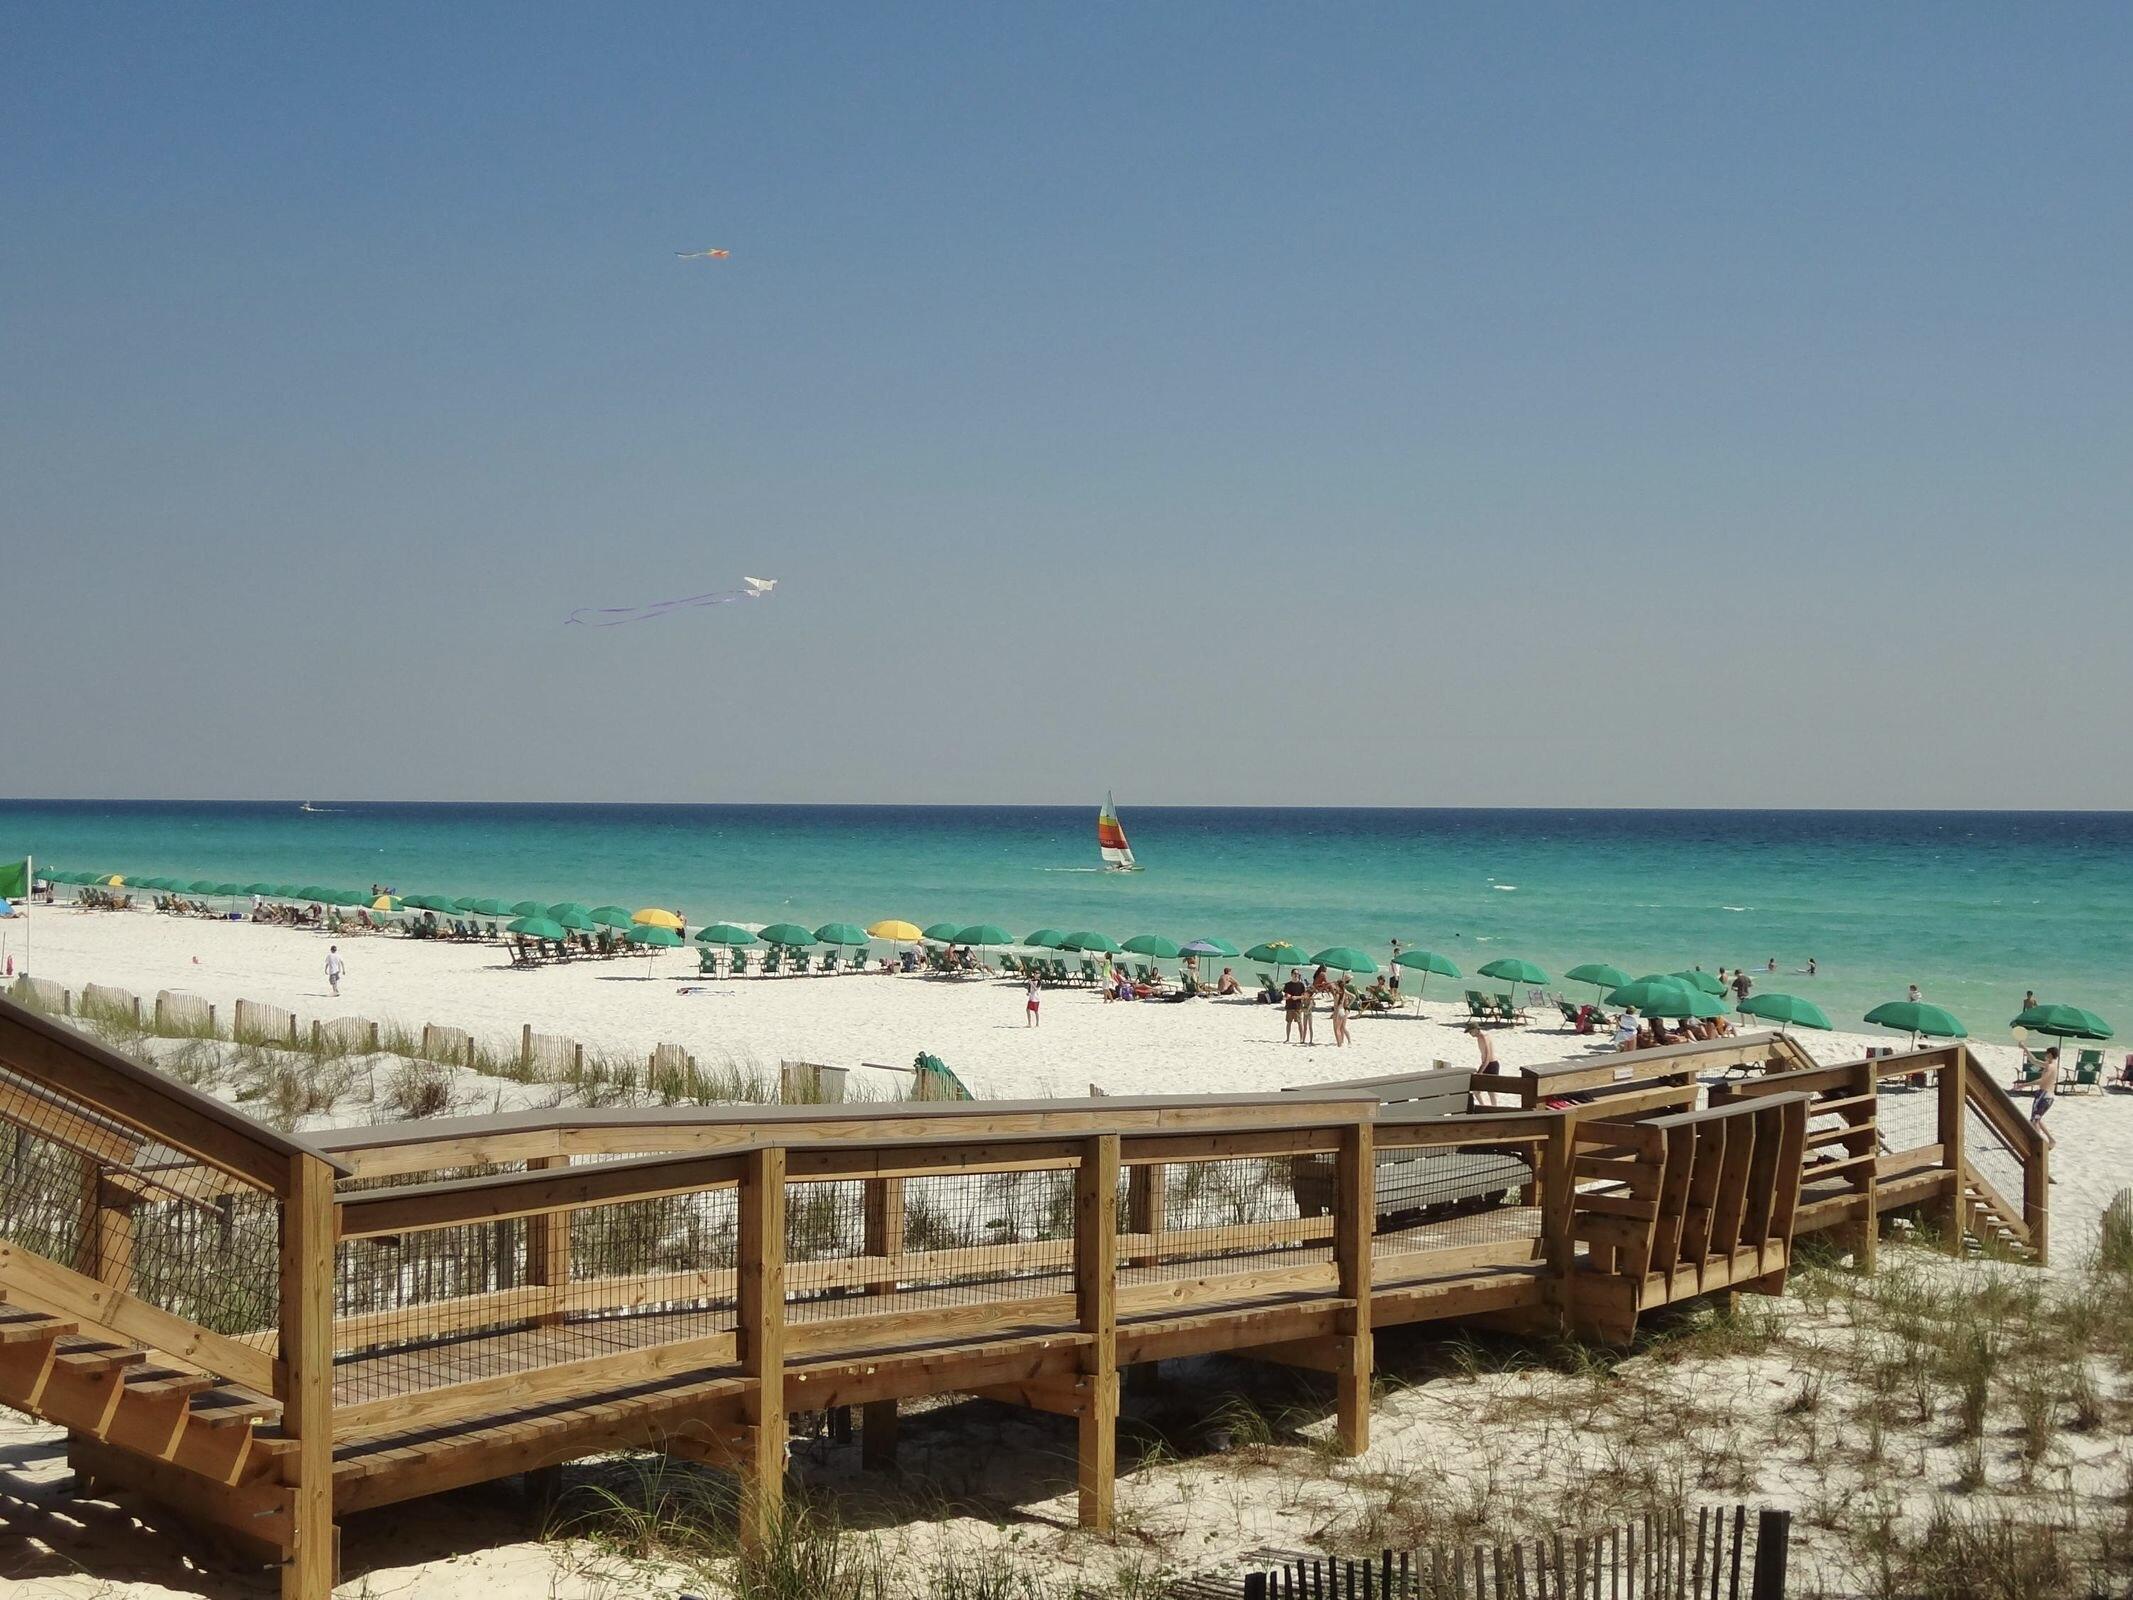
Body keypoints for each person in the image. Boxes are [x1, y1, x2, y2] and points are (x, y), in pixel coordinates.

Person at [2030, 1047, 2059, 1147]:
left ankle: (2040, 1143)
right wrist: (2024, 1048)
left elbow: (2042, 1080)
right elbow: (2034, 1061)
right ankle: (2051, 1140)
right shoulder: (2051, 1065)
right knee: (2037, 1119)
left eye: (2046, 1053)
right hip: (2047, 1096)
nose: (2045, 1055)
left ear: (2050, 1054)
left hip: (2044, 1096)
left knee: (2035, 1121)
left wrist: (2024, 1084)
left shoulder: (2050, 1066)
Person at [1282, 969, 1307, 1042]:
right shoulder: (1287, 985)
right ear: (1291, 974)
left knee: (1299, 1022)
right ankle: (1287, 1038)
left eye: (1297, 974)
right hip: (1289, 1006)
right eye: (1295, 973)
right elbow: (1284, 996)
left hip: (1298, 1006)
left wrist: (1297, 997)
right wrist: (1288, 996)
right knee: (1289, 1022)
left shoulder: (1301, 985)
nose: (1296, 975)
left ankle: (1301, 1039)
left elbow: (1304, 996)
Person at [1330, 978, 1352, 1047]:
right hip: (1342, 1010)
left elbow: (1336, 1005)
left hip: (1338, 1011)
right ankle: (1341, 1042)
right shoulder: (1343, 991)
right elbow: (1353, 996)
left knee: (1336, 1029)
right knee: (1341, 1028)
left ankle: (1339, 1044)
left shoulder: (1338, 994)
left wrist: (1334, 1014)